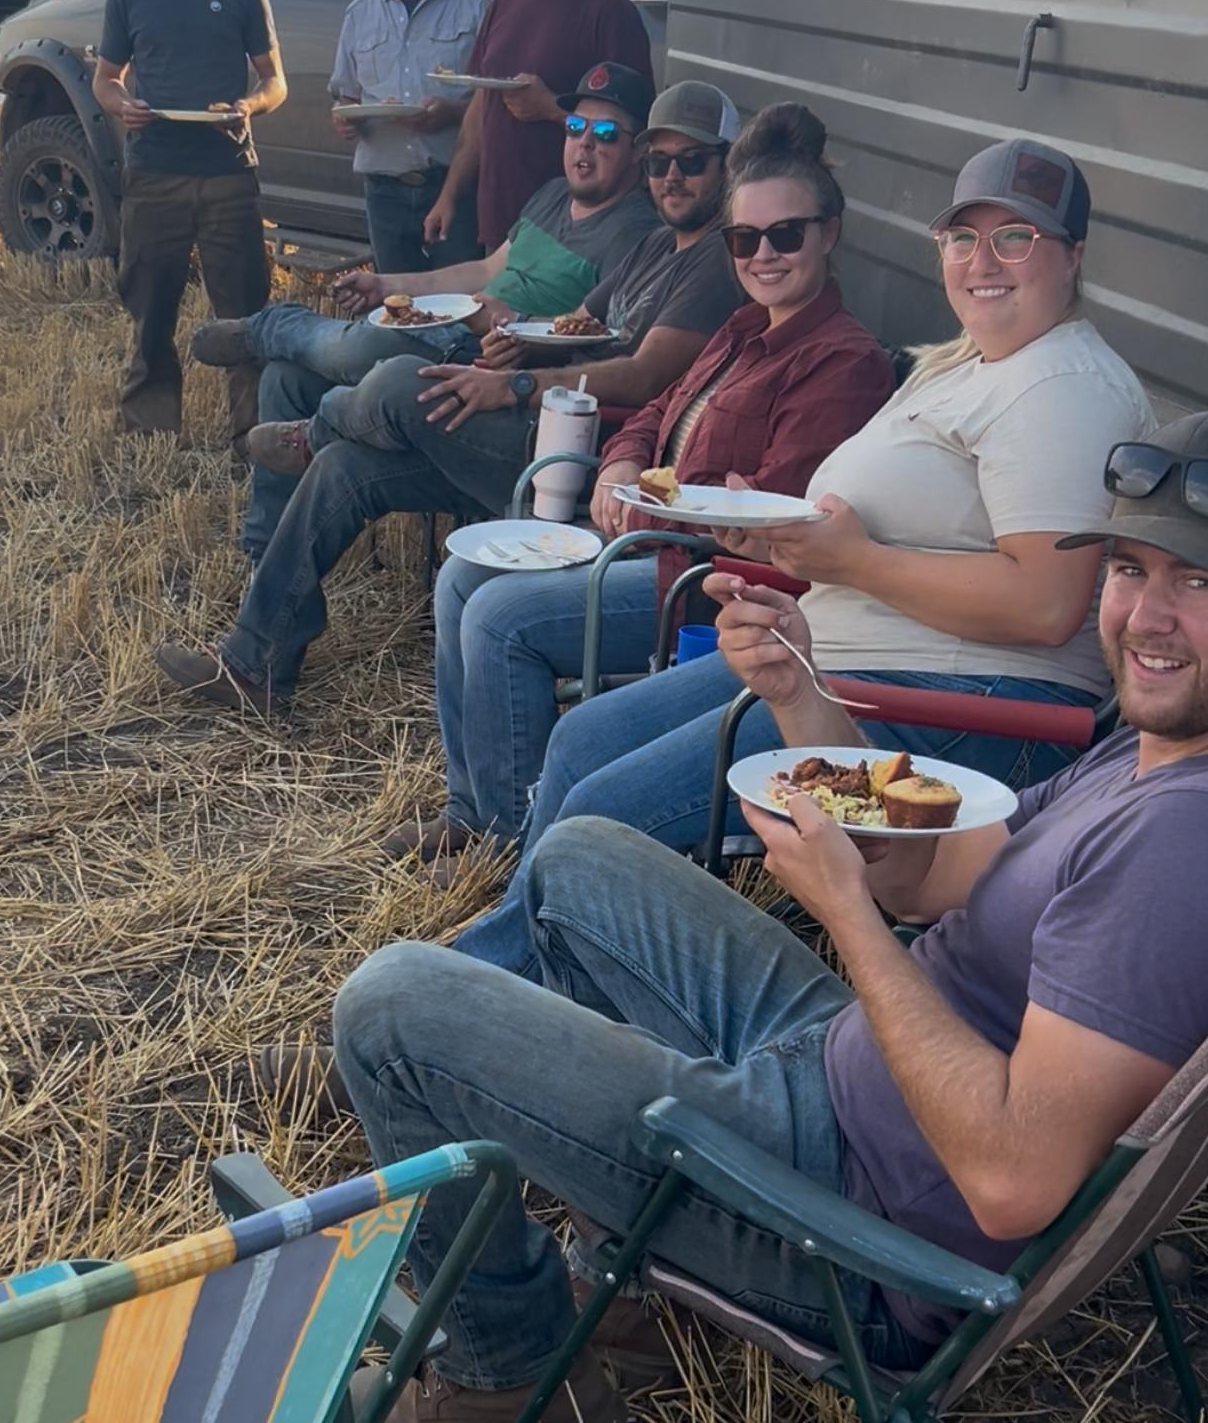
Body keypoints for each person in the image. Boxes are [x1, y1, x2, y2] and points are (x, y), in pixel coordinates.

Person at [315, 410, 1208, 1423]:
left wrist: (848, 918)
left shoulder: (1179, 847)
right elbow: (934, 876)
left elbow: (1010, 1181)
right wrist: (799, 695)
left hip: (846, 1222)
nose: (1146, 615)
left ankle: (508, 1369)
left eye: (1198, 581)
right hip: (854, 1074)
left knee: (391, 1008)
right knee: (577, 860)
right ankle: (604, 1223)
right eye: (1132, 569)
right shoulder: (1143, 759)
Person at [456, 136, 1154, 974]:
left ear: (1072, 257)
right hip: (830, 665)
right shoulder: (965, 366)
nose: (983, 261)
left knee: (604, 811)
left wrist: (848, 561)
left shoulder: (1063, 388)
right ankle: (506, 962)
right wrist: (781, 539)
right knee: (584, 741)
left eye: (1017, 238)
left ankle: (477, 996)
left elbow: (1044, 606)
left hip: (951, 708)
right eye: (964, 238)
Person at [393, 101, 897, 863]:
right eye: (744, 238)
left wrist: (655, 508)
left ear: (828, 233)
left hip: (701, 579)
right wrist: (626, 460)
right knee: (462, 575)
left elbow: (772, 518)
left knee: (500, 617)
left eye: (785, 235)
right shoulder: (742, 330)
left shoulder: (840, 361)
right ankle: (477, 810)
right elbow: (654, 410)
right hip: (643, 538)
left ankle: (510, 839)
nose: (763, 255)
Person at [153, 84, 750, 711]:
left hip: (571, 455)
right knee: (345, 468)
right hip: (532, 414)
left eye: (692, 162)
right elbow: (575, 325)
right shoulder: (659, 243)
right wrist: (518, 344)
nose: (672, 176)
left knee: (396, 380)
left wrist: (515, 383)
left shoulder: (712, 263)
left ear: (727, 165)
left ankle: (316, 428)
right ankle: (257, 663)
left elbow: (642, 376)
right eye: (661, 161)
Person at [191, 63, 658, 562]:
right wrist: (387, 285)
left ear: (638, 151)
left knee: (376, 347)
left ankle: (267, 330)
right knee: (283, 379)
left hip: (493, 369)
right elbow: (480, 271)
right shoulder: (550, 196)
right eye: (574, 128)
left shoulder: (636, 233)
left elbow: (586, 335)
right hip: (454, 335)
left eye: (605, 133)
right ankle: (264, 549)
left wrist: (513, 321)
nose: (584, 143)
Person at [93, 0, 287, 454]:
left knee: (245, 314)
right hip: (154, 170)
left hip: (228, 170)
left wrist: (248, 108)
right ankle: (150, 432)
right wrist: (120, 104)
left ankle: (251, 435)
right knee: (150, 306)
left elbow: (275, 81)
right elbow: (106, 78)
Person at [427, 0, 652, 254]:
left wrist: (550, 108)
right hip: (499, 224)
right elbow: (482, 107)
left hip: (573, 233)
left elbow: (634, 140)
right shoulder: (505, 1)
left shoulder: (611, 12)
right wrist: (450, 195)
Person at [329, 0, 488, 271]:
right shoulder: (359, 14)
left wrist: (450, 113)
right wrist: (348, 118)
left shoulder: (479, 9)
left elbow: (496, 102)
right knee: (394, 312)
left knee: (457, 308)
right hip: (384, 189)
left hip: (455, 185)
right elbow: (345, 95)